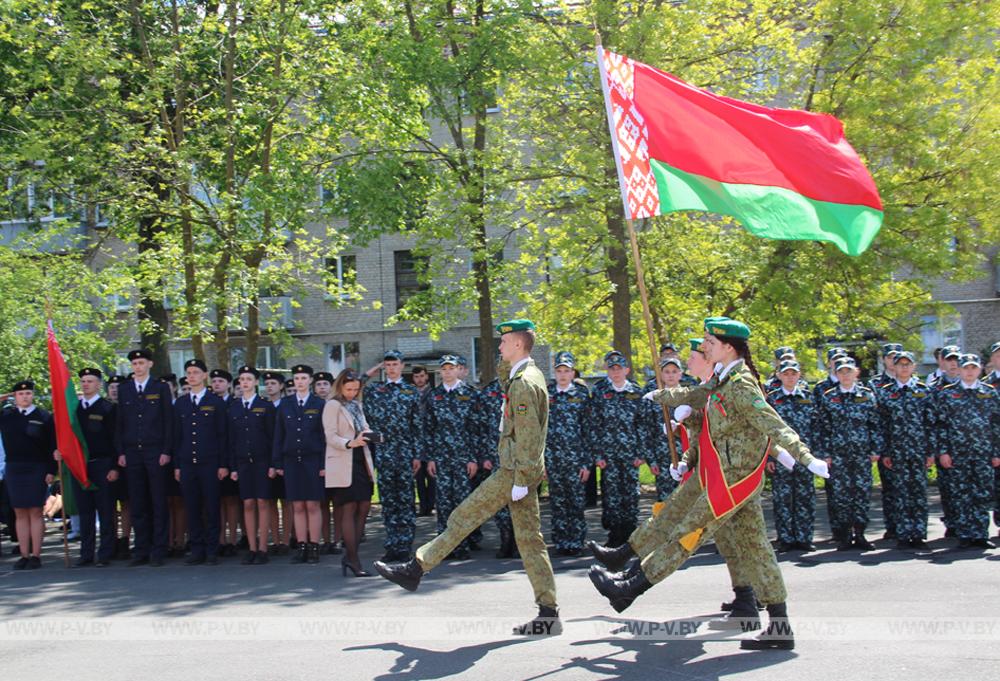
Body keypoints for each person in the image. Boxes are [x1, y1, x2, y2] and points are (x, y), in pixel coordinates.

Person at [589, 318, 827, 650]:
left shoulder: (742, 384)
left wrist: (803, 456)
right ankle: (779, 624)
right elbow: (698, 394)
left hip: (730, 484)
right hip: (725, 477)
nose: (705, 348)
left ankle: (629, 589)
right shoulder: (722, 379)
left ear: (728, 347)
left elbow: (773, 423)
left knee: (686, 533)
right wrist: (664, 395)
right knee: (757, 548)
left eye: (710, 343)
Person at [376, 319, 562, 637]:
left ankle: (415, 568)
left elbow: (529, 436)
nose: (499, 347)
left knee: (463, 516)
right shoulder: (525, 375)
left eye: (503, 342)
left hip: (513, 471)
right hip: (520, 471)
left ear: (518, 344)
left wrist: (521, 479)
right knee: (531, 541)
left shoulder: (523, 383)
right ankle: (549, 613)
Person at [815, 357, 884, 551]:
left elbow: (875, 424)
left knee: (861, 494)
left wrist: (875, 449)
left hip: (862, 454)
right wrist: (825, 453)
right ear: (836, 375)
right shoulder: (829, 397)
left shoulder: (867, 396)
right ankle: (845, 536)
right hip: (838, 455)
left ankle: (860, 534)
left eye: (849, 371)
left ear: (857, 373)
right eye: (841, 372)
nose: (845, 375)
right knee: (841, 496)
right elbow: (823, 427)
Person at [588, 350, 655, 547]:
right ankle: (615, 534)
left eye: (619, 368)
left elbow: (642, 424)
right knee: (611, 494)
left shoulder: (635, 392)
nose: (616, 372)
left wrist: (641, 453)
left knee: (631, 494)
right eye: (612, 369)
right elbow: (595, 424)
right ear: (607, 371)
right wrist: (598, 454)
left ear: (626, 370)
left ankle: (630, 534)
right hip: (608, 454)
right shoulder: (600, 393)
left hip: (630, 453)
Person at [935, 354, 1000, 549]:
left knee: (982, 494)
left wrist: (996, 452)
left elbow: (997, 424)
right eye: (966, 368)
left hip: (983, 453)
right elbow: (940, 425)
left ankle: (980, 534)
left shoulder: (989, 392)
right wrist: (944, 452)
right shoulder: (947, 394)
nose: (970, 371)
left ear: (979, 369)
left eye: (973, 368)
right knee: (961, 494)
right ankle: (964, 534)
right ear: (959, 370)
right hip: (957, 453)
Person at [115, 349, 174, 566]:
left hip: (155, 451)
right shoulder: (125, 389)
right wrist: (121, 452)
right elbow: (120, 423)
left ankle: (159, 549)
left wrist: (166, 450)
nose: (137, 367)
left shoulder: (160, 388)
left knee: (158, 501)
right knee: (137, 502)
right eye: (134, 363)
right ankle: (141, 549)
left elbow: (168, 422)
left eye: (141, 363)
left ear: (150, 364)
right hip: (132, 452)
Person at [419, 354, 481, 560]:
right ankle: (445, 546)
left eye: (451, 368)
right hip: (441, 457)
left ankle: (462, 545)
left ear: (458, 369)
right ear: (440, 372)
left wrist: (473, 458)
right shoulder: (433, 396)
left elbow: (475, 429)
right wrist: (430, 458)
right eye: (444, 369)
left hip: (463, 458)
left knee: (463, 503)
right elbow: (428, 429)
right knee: (444, 502)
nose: (447, 372)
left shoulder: (470, 394)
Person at [362, 351, 422, 561]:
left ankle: (405, 545)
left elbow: (417, 425)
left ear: (402, 366)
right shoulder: (375, 390)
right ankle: (392, 545)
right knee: (388, 501)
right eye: (387, 365)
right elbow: (355, 384)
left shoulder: (411, 391)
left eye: (395, 364)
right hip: (384, 452)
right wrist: (374, 369)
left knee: (405, 500)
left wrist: (416, 454)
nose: (391, 368)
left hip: (405, 452)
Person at [173, 359, 229, 565]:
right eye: (189, 372)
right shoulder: (181, 403)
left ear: (205, 376)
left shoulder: (216, 402)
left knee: (212, 507)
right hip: (188, 463)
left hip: (210, 463)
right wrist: (177, 465)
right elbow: (177, 437)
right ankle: (197, 548)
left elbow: (223, 435)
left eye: (196, 372)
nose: (192, 376)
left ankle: (212, 549)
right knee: (192, 507)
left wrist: (223, 464)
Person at [877, 351, 935, 550]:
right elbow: (882, 424)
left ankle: (918, 534)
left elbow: (930, 423)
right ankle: (902, 534)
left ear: (913, 367)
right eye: (900, 364)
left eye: (907, 364)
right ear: (894, 367)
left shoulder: (923, 390)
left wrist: (930, 452)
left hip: (918, 451)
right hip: (896, 452)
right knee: (899, 494)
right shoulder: (885, 392)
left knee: (918, 493)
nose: (903, 367)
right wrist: (884, 452)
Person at [271, 364, 327, 564]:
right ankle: (301, 545)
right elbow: (279, 434)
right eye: (297, 378)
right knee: (297, 505)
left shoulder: (319, 403)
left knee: (312, 505)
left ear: (310, 380)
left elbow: (323, 436)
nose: (300, 382)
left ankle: (314, 545)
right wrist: (277, 461)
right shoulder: (285, 404)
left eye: (304, 378)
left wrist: (323, 464)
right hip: (291, 460)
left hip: (312, 460)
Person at [0, 381, 58, 569]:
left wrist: (51, 470)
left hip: (36, 467)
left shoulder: (43, 416)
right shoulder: (7, 415)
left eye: (27, 393)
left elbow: (52, 445)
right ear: (14, 396)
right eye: (20, 393)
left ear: (32, 395)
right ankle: (23, 554)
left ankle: (35, 555)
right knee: (19, 512)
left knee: (35, 510)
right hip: (14, 468)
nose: (24, 396)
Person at [324, 370, 376, 576]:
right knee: (348, 508)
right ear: (340, 386)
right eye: (349, 389)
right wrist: (349, 442)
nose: (352, 393)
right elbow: (330, 436)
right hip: (343, 460)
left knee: (364, 506)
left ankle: (351, 555)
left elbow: (364, 429)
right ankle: (353, 560)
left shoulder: (357, 405)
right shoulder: (332, 405)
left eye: (356, 389)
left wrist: (374, 436)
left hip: (361, 460)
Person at [765, 360, 818, 552]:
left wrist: (816, 456)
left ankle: (804, 538)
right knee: (782, 498)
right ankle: (786, 538)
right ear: (779, 375)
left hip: (804, 455)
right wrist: (769, 458)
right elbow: (766, 430)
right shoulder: (771, 399)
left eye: (793, 373)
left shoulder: (809, 397)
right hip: (781, 456)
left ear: (799, 375)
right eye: (786, 373)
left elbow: (817, 427)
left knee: (805, 497)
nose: (790, 377)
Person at [68, 369, 119, 567]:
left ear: (99, 384)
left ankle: (106, 552)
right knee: (85, 511)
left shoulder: (107, 408)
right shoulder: (75, 409)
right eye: (83, 381)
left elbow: (116, 439)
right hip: (80, 466)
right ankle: (86, 553)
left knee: (106, 510)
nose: (86, 384)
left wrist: (115, 466)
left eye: (90, 381)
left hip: (103, 464)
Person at [545, 351, 591, 556]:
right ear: (554, 373)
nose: (563, 375)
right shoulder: (546, 395)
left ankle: (576, 541)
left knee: (575, 501)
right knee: (557, 501)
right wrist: (542, 461)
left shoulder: (581, 395)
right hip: (553, 458)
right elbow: (540, 429)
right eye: (559, 371)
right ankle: (561, 541)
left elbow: (588, 429)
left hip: (575, 459)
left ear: (573, 373)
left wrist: (586, 462)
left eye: (567, 371)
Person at [228, 365, 274, 565]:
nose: (244, 382)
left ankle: (263, 547)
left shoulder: (265, 406)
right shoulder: (234, 407)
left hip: (262, 462)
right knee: (247, 503)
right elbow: (230, 440)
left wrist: (273, 464)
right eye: (242, 379)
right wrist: (233, 467)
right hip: (242, 462)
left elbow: (273, 438)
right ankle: (252, 548)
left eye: (249, 379)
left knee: (262, 503)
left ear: (256, 382)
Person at [477, 369, 517, 557]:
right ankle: (505, 539)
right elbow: (481, 427)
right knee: (500, 501)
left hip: (519, 454)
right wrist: (485, 455)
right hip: (496, 455)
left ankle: (518, 543)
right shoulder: (488, 393)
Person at [262, 371, 290, 555]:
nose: (269, 386)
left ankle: (287, 540)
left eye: (273, 383)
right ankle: (276, 539)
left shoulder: (287, 406)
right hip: (266, 461)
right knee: (270, 501)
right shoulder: (262, 406)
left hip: (285, 460)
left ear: (281, 386)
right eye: (267, 383)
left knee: (286, 501)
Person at [410, 366, 436, 517]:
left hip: (430, 441)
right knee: (418, 478)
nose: (419, 379)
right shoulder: (411, 394)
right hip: (416, 443)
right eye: (416, 377)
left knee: (432, 476)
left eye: (421, 376)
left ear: (426, 376)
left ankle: (430, 505)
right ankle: (423, 506)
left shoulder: (433, 394)